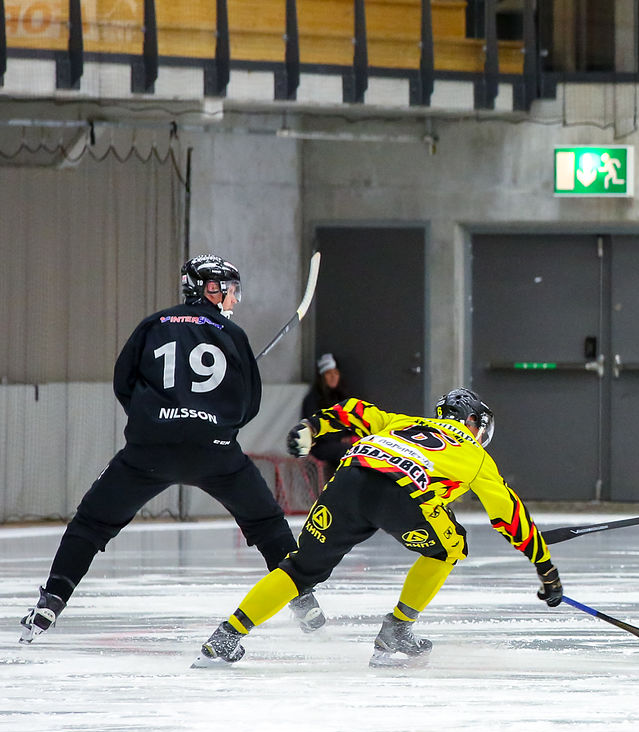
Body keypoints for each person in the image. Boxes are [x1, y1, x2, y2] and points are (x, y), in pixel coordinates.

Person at [20, 255, 325, 642]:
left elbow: (124, 382)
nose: (234, 298)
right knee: (266, 524)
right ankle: (303, 600)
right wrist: (212, 426)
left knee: (91, 524)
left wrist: (156, 422)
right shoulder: (233, 335)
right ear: (210, 289)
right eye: (230, 289)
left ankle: (52, 600)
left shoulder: (153, 324)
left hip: (150, 450)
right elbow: (249, 405)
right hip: (215, 451)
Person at [193, 387, 563, 668]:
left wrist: (313, 426)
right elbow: (511, 517)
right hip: (402, 494)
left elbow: (354, 411)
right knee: (448, 549)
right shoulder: (476, 455)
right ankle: (397, 631)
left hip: (348, 480)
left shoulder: (404, 423)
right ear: (472, 422)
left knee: (298, 570)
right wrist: (546, 569)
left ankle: (225, 638)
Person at [300, 352, 357, 465]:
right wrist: (339, 439)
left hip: (340, 443)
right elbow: (315, 429)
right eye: (328, 373)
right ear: (322, 377)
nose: (333, 377)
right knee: (346, 451)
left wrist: (349, 436)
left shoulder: (342, 397)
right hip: (319, 446)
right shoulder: (313, 400)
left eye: (335, 373)